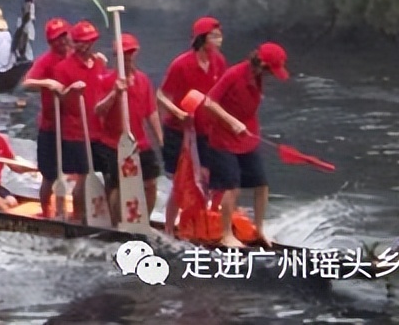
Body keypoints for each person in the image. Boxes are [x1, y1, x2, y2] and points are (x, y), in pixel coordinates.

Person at [198, 42, 291, 248]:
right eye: (271, 71)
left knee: (261, 184)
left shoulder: (257, 78)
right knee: (231, 186)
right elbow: (209, 102)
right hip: (223, 137)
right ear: (261, 64)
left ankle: (259, 230)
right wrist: (232, 121)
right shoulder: (234, 74)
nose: (271, 76)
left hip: (247, 137)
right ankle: (226, 235)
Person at [158, 16, 226, 235]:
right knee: (181, 182)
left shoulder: (219, 62)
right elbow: (160, 95)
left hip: (206, 131)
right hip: (179, 131)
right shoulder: (181, 64)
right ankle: (169, 229)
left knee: (206, 179)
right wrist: (177, 112)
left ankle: (199, 225)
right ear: (202, 39)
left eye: (219, 35)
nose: (219, 39)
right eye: (214, 36)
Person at [93, 32, 163, 224]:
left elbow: (151, 112)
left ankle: (143, 222)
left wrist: (160, 138)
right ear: (117, 56)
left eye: (131, 52)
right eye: (125, 53)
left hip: (139, 141)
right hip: (113, 143)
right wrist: (115, 92)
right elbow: (98, 110)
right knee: (117, 186)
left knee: (150, 183)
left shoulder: (143, 80)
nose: (129, 56)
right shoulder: (106, 80)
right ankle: (116, 225)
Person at [52, 20, 108, 225]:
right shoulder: (62, 68)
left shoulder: (99, 63)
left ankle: (107, 214)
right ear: (74, 43)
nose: (85, 45)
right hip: (75, 131)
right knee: (83, 177)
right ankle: (77, 217)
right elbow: (62, 101)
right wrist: (71, 91)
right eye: (81, 42)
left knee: (106, 173)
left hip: (99, 129)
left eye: (89, 41)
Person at [19, 18, 72, 218]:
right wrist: (48, 83)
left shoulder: (75, 56)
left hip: (72, 126)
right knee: (50, 175)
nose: (62, 42)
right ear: (50, 42)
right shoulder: (46, 60)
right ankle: (46, 212)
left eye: (63, 36)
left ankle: (68, 211)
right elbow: (27, 82)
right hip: (50, 126)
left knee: (73, 173)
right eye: (56, 39)